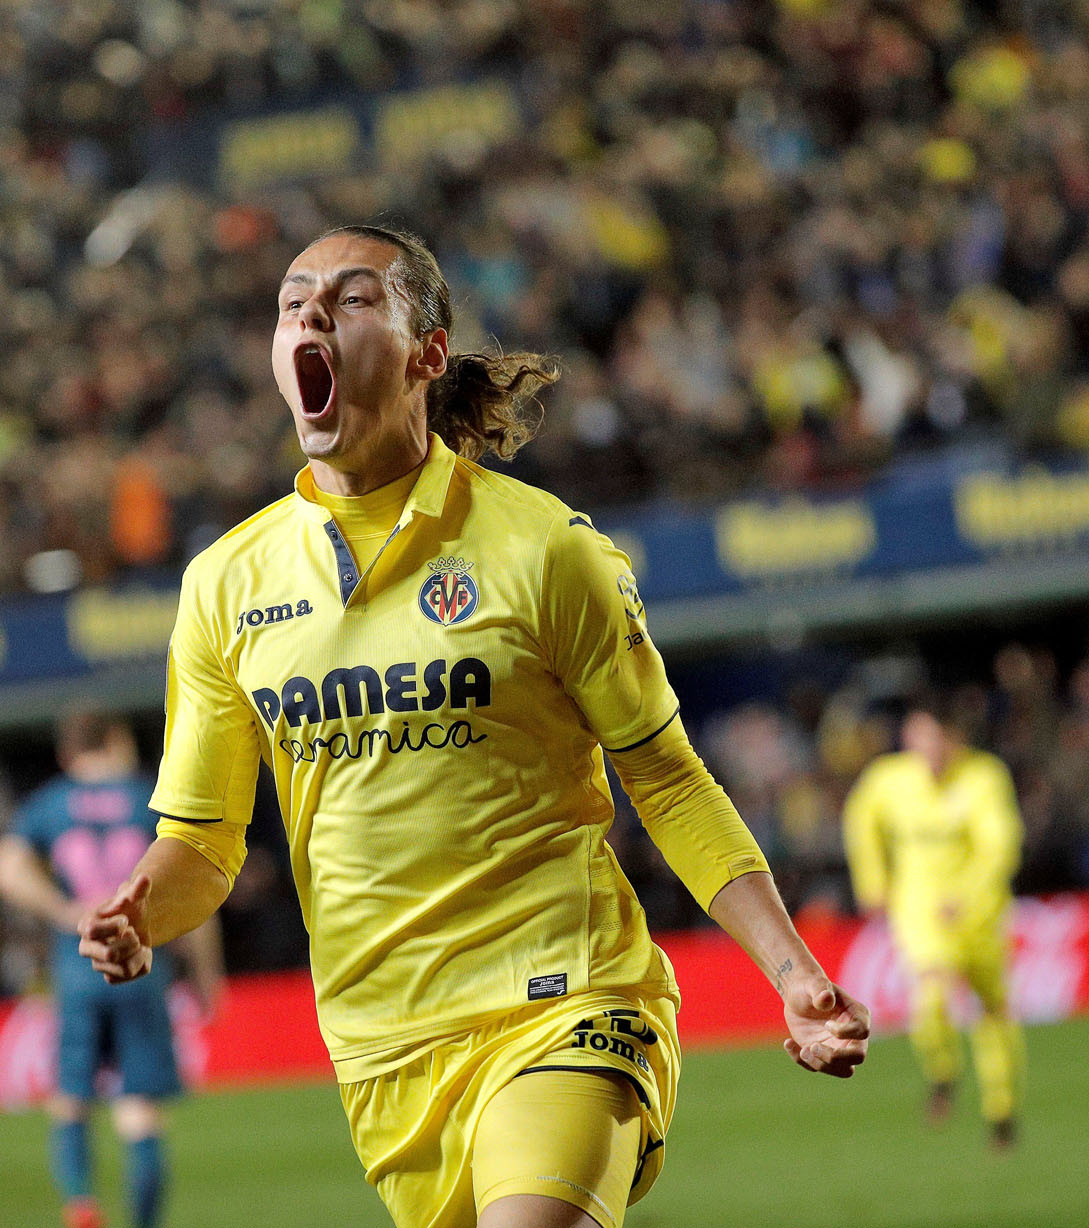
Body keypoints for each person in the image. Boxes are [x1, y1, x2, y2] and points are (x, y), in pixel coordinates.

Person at [78, 225, 869, 1228]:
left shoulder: (545, 551)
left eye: (352, 297)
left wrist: (793, 973)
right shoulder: (224, 584)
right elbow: (202, 840)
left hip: (566, 1000)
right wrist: (141, 910)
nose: (312, 311)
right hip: (381, 1050)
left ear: (428, 353)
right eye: (292, 301)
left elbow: (667, 778)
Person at [0, 709, 224, 1228]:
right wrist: (208, 976)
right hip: (140, 968)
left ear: (67, 753)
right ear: (117, 740)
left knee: (70, 1100)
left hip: (78, 972)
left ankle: (82, 1205)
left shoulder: (51, 803)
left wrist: (64, 911)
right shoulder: (150, 799)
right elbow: (192, 888)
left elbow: (2, 867)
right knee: (139, 1110)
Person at [843, 695, 1026, 1148]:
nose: (930, 749)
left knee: (993, 1011)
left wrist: (966, 897)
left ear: (955, 738)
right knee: (931, 999)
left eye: (938, 738)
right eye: (921, 737)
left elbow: (1000, 848)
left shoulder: (983, 777)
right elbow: (859, 819)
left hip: (980, 913)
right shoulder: (888, 779)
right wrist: (872, 882)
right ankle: (943, 1071)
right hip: (920, 911)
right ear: (908, 737)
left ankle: (1002, 1109)